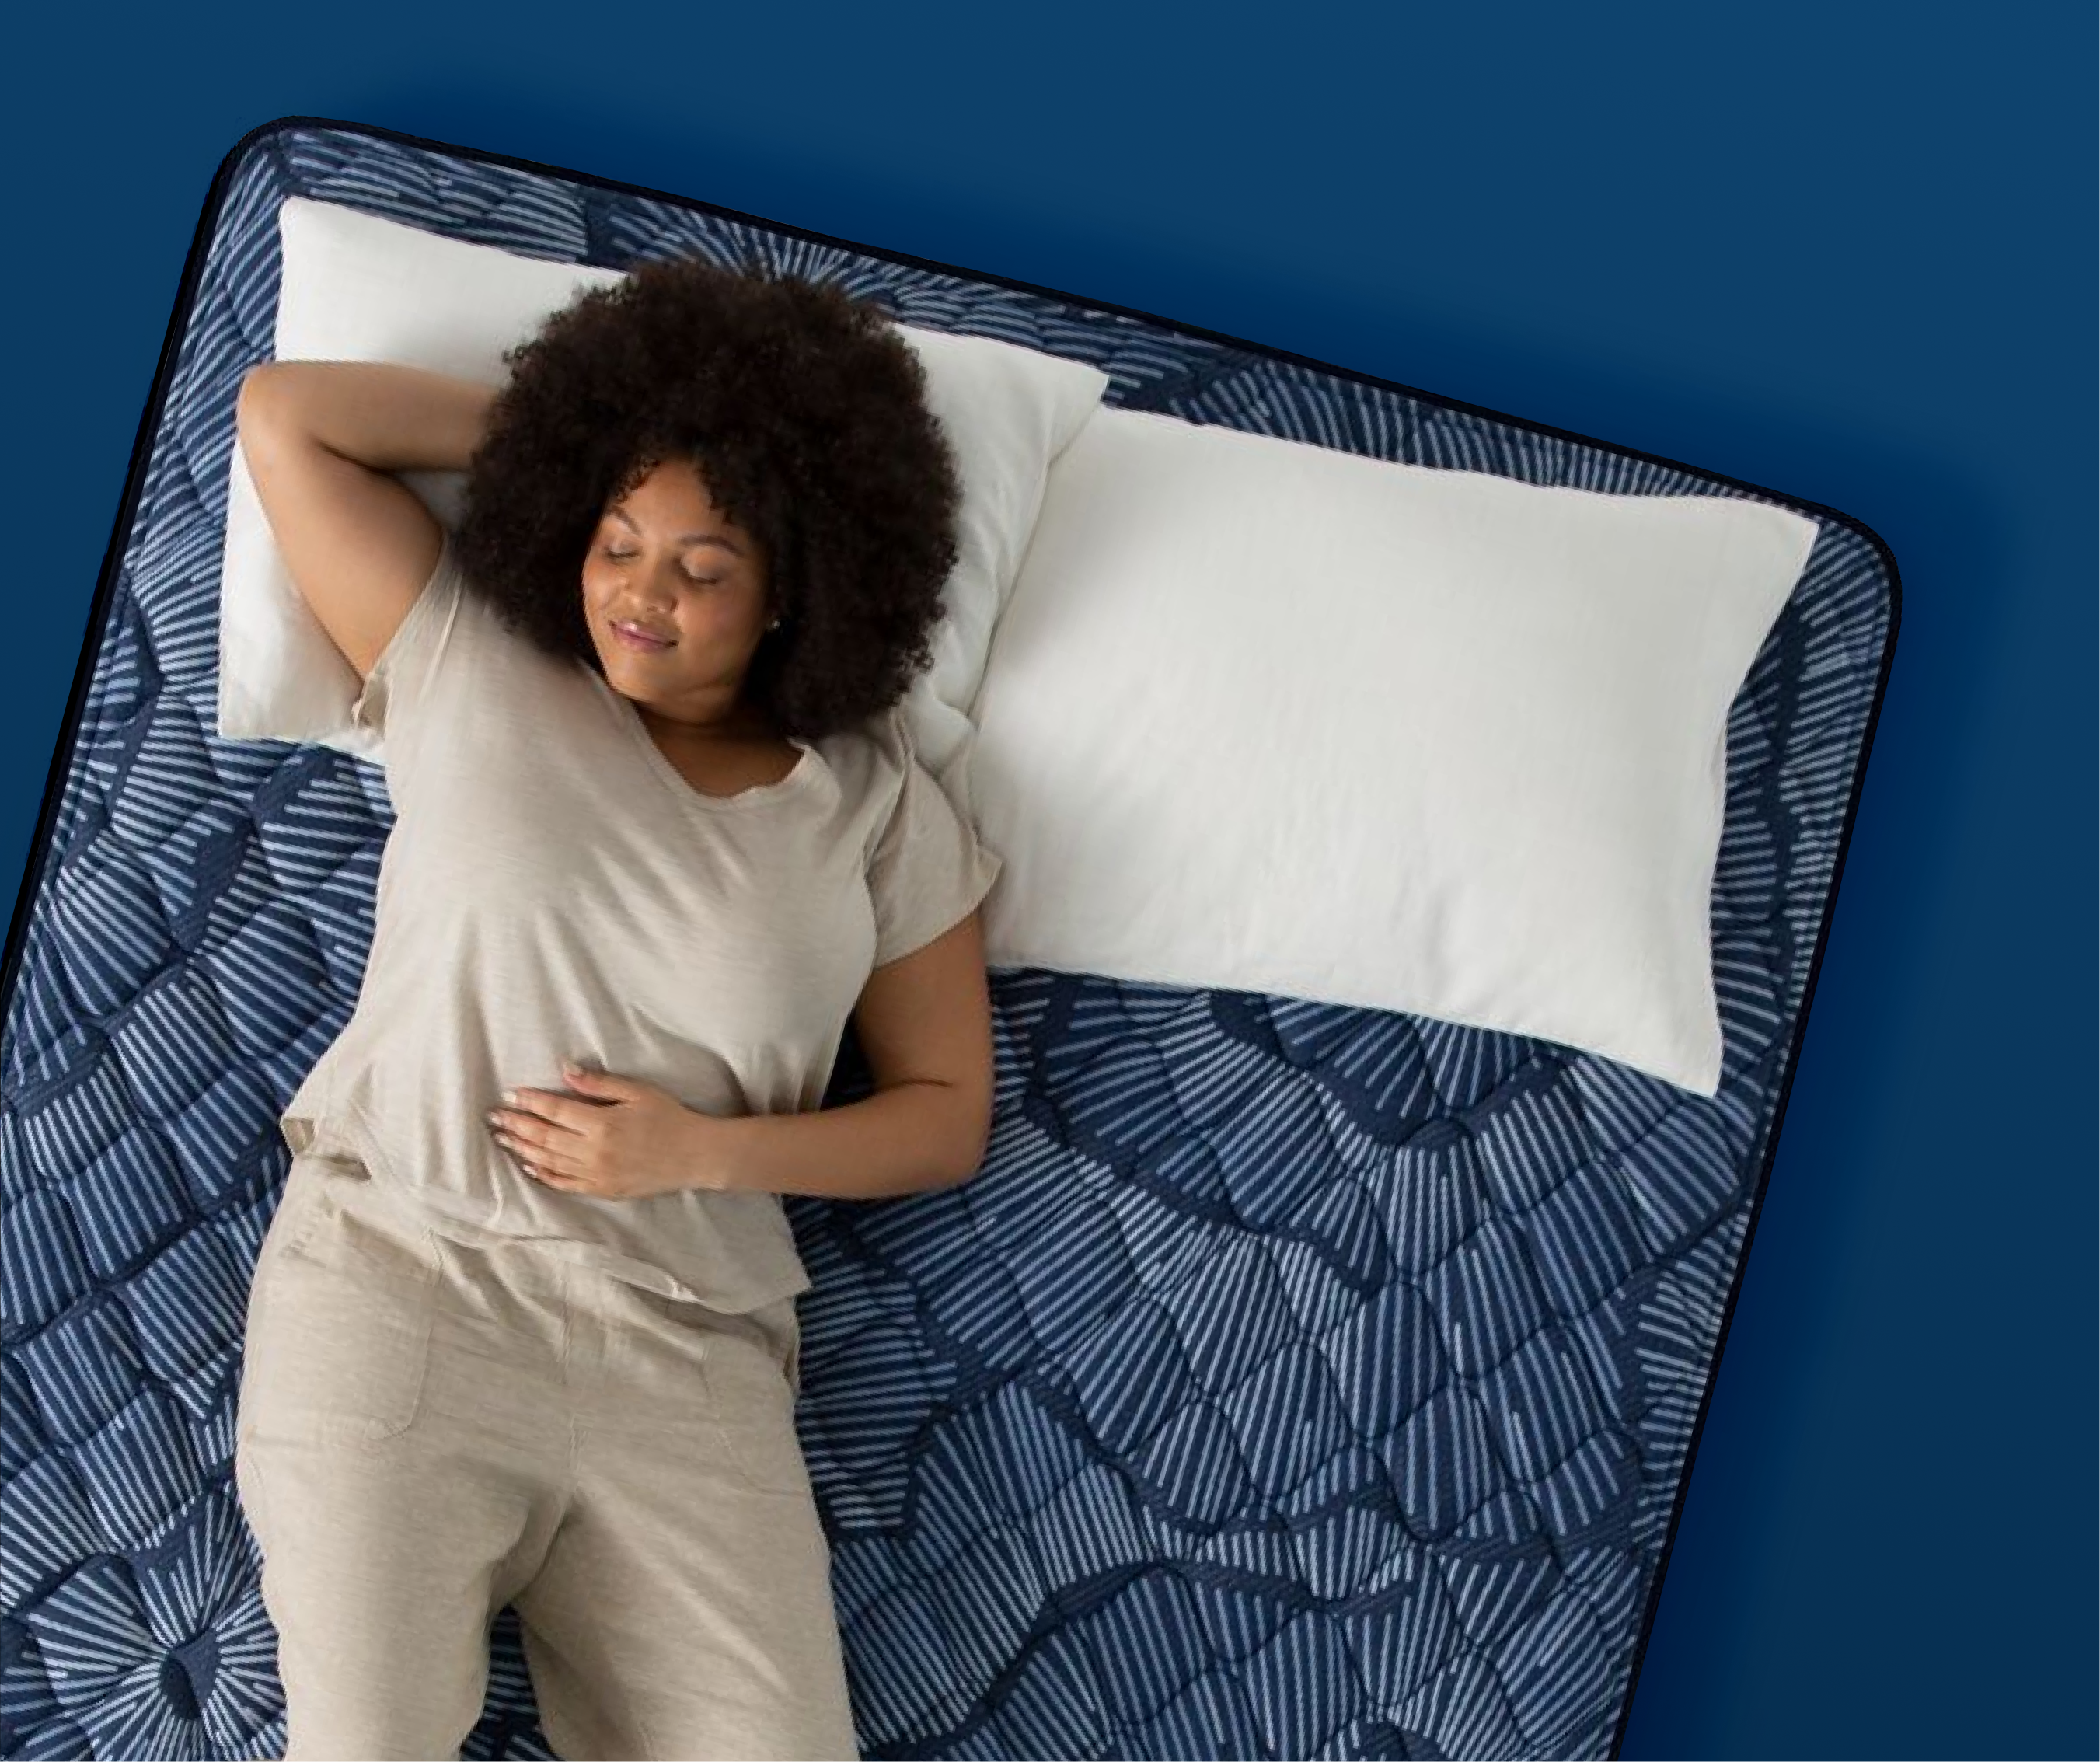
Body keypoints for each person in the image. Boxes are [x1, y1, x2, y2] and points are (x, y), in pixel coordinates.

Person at [230, 258, 1003, 1762]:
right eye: (617, 539)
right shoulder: (471, 653)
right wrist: (600, 438)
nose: (641, 594)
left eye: (704, 564)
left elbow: (943, 1116)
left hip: (689, 1352)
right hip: (405, 1274)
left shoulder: (877, 805)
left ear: (795, 586)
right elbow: (287, 419)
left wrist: (696, 1151)